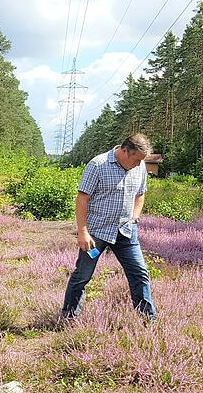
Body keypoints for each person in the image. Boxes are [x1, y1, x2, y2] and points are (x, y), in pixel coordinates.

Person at [61, 133, 157, 322]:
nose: (139, 164)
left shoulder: (140, 167)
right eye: (136, 160)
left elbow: (140, 194)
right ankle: (69, 317)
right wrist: (83, 232)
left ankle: (148, 320)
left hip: (126, 232)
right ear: (125, 151)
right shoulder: (98, 165)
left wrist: (135, 216)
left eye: (141, 161)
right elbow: (82, 198)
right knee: (82, 275)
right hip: (96, 233)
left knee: (140, 274)